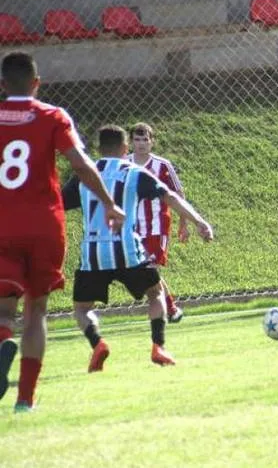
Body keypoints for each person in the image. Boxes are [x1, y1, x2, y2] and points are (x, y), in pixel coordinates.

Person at [0, 52, 124, 412]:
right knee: (37, 310)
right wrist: (108, 203)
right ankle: (25, 399)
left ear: (3, 85)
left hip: (2, 224)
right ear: (37, 83)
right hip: (43, 224)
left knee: (4, 310)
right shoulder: (52, 116)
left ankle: (4, 338)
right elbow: (81, 165)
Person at [62, 125, 213, 372]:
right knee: (155, 294)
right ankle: (158, 346)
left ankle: (97, 343)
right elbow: (171, 197)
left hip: (93, 254)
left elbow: (59, 202)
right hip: (128, 250)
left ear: (99, 149)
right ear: (125, 148)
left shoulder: (83, 174)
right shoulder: (133, 172)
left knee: (81, 309)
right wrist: (198, 222)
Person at [127, 123, 188, 323]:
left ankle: (167, 311)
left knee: (150, 268)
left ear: (152, 142)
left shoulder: (162, 165)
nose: (141, 144)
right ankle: (169, 308)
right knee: (143, 272)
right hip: (130, 228)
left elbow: (178, 195)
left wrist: (183, 223)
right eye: (137, 139)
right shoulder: (124, 163)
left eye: (146, 140)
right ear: (130, 142)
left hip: (156, 226)